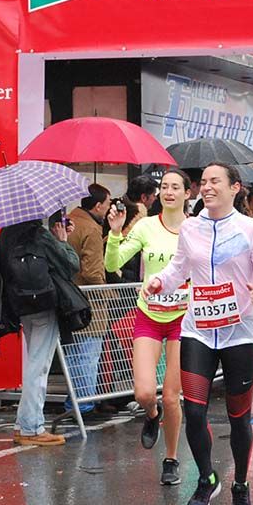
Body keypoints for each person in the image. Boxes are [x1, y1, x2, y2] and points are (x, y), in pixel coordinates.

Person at [145, 162, 253, 505]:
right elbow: (179, 268)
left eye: (214, 181)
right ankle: (207, 478)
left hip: (241, 333)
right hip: (198, 330)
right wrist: (161, 281)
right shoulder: (191, 228)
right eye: (202, 182)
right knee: (193, 410)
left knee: (239, 417)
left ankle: (241, 486)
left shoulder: (252, 231)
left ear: (235, 187)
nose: (206, 187)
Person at [105, 168, 192, 485]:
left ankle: (171, 459)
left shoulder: (196, 229)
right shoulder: (145, 226)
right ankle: (151, 416)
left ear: (186, 193)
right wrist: (115, 234)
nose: (168, 192)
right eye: (164, 187)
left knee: (171, 396)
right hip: (149, 316)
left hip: (183, 319)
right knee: (144, 392)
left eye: (175, 187)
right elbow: (112, 265)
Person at [0, 216, 79, 445]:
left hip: (21, 305)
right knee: (39, 366)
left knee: (31, 363)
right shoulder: (39, 234)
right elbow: (71, 264)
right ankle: (32, 427)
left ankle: (22, 423)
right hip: (44, 303)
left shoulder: (6, 234)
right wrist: (63, 240)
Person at [65, 183, 111, 416]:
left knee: (73, 356)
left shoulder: (68, 223)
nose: (109, 209)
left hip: (69, 298)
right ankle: (84, 403)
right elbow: (93, 272)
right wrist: (107, 294)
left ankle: (73, 401)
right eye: (107, 204)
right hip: (88, 303)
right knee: (88, 354)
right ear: (97, 205)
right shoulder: (91, 229)